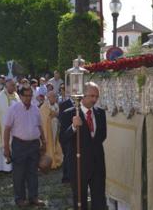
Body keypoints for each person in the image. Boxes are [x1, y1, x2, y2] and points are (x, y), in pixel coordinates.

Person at [60, 82, 107, 210]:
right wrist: (73, 127)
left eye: (97, 96)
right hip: (78, 163)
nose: (94, 99)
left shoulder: (100, 113)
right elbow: (63, 138)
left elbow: (102, 135)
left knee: (99, 198)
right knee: (80, 199)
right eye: (91, 96)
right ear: (82, 95)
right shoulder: (69, 113)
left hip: (97, 163)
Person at [3, 86, 46, 207]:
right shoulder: (13, 109)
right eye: (25, 96)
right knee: (19, 173)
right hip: (19, 145)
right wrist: (6, 147)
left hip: (34, 145)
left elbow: (40, 126)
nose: (28, 98)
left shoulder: (36, 109)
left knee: (33, 172)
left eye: (30, 96)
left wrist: (44, 141)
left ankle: (34, 197)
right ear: (20, 96)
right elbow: (7, 129)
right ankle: (19, 199)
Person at [0, 79, 20, 172]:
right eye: (12, 85)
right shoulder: (2, 96)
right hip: (5, 125)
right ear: (7, 86)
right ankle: (4, 166)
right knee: (5, 142)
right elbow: (3, 112)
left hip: (15, 125)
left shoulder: (15, 95)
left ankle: (14, 164)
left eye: (14, 85)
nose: (14, 87)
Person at [40, 90, 63, 169]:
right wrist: (51, 115)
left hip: (55, 128)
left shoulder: (56, 105)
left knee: (55, 143)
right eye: (53, 97)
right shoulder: (44, 106)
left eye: (55, 97)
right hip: (48, 129)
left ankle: (56, 160)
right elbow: (43, 119)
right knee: (49, 144)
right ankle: (49, 162)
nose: (55, 98)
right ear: (48, 97)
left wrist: (55, 115)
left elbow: (57, 114)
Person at [58, 88, 74, 183]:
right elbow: (62, 120)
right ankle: (66, 177)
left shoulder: (82, 104)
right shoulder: (64, 105)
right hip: (66, 134)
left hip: (77, 134)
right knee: (67, 156)